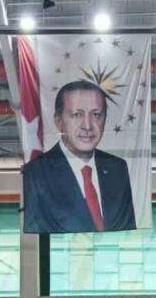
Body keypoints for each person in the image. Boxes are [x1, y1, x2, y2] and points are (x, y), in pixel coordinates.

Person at [22, 80, 136, 233]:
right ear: (58, 121)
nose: (87, 126)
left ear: (105, 119)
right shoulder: (36, 172)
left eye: (96, 115)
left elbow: (127, 228)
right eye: (77, 115)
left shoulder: (118, 168)